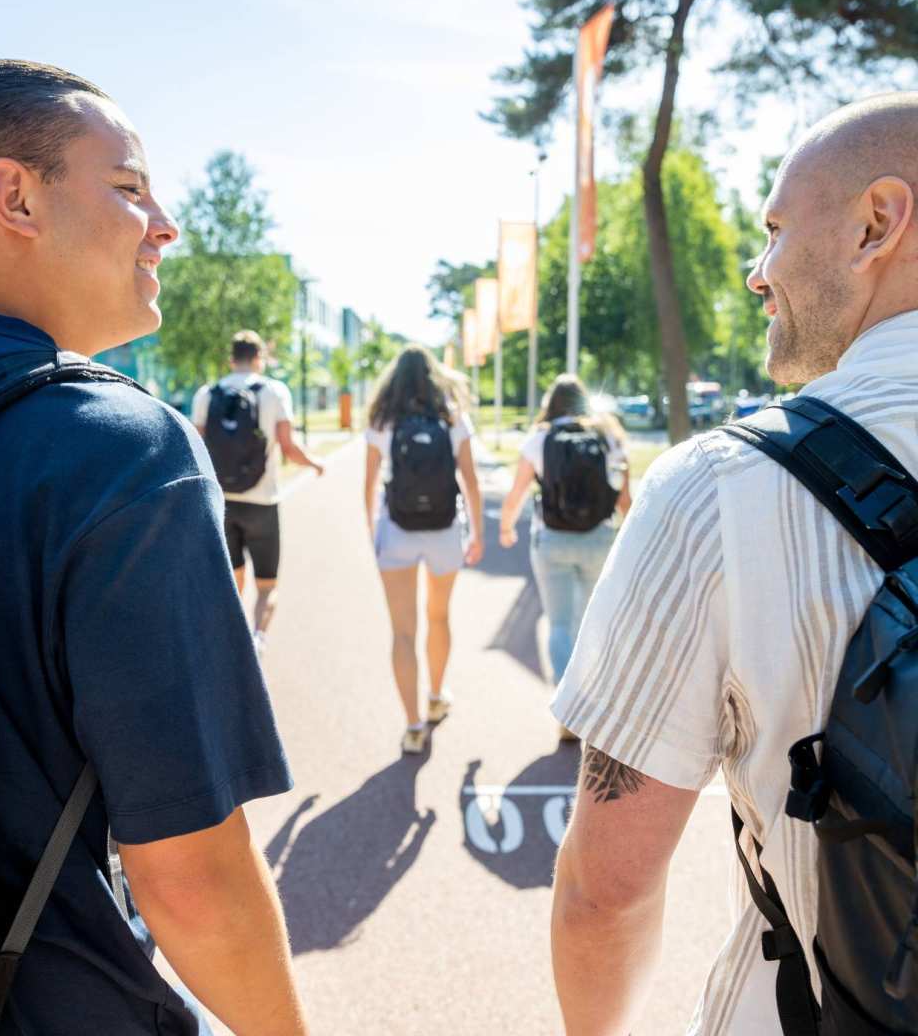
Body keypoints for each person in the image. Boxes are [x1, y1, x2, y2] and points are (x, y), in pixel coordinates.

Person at [0, 60, 307, 1035]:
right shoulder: (120, 451)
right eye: (127, 188)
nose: (164, 223)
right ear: (14, 196)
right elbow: (191, 875)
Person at [548, 92, 918, 1035]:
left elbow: (607, 892)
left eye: (776, 230)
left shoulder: (722, 489)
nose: (760, 273)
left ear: (877, 222)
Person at [364, 345, 484, 754]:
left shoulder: (383, 417)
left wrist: (372, 531)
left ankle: (413, 725)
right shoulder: (452, 415)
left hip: (396, 530)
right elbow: (470, 480)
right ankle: (435, 696)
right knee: (439, 615)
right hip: (444, 529)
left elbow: (369, 483)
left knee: (402, 631)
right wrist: (479, 532)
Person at [498, 375, 630, 726]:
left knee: (558, 624)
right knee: (589, 621)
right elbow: (624, 498)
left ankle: (566, 710)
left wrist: (506, 525)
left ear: (550, 404)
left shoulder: (539, 438)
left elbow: (518, 492)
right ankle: (592, 701)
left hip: (552, 540)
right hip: (598, 539)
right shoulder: (608, 436)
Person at [192, 330, 324, 657]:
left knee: (234, 579)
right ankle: (257, 640)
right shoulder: (274, 392)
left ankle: (231, 641)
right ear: (259, 358)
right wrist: (316, 464)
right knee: (266, 586)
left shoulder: (207, 394)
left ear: (231, 358)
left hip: (222, 502)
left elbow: (196, 447)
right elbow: (289, 448)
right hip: (263, 503)